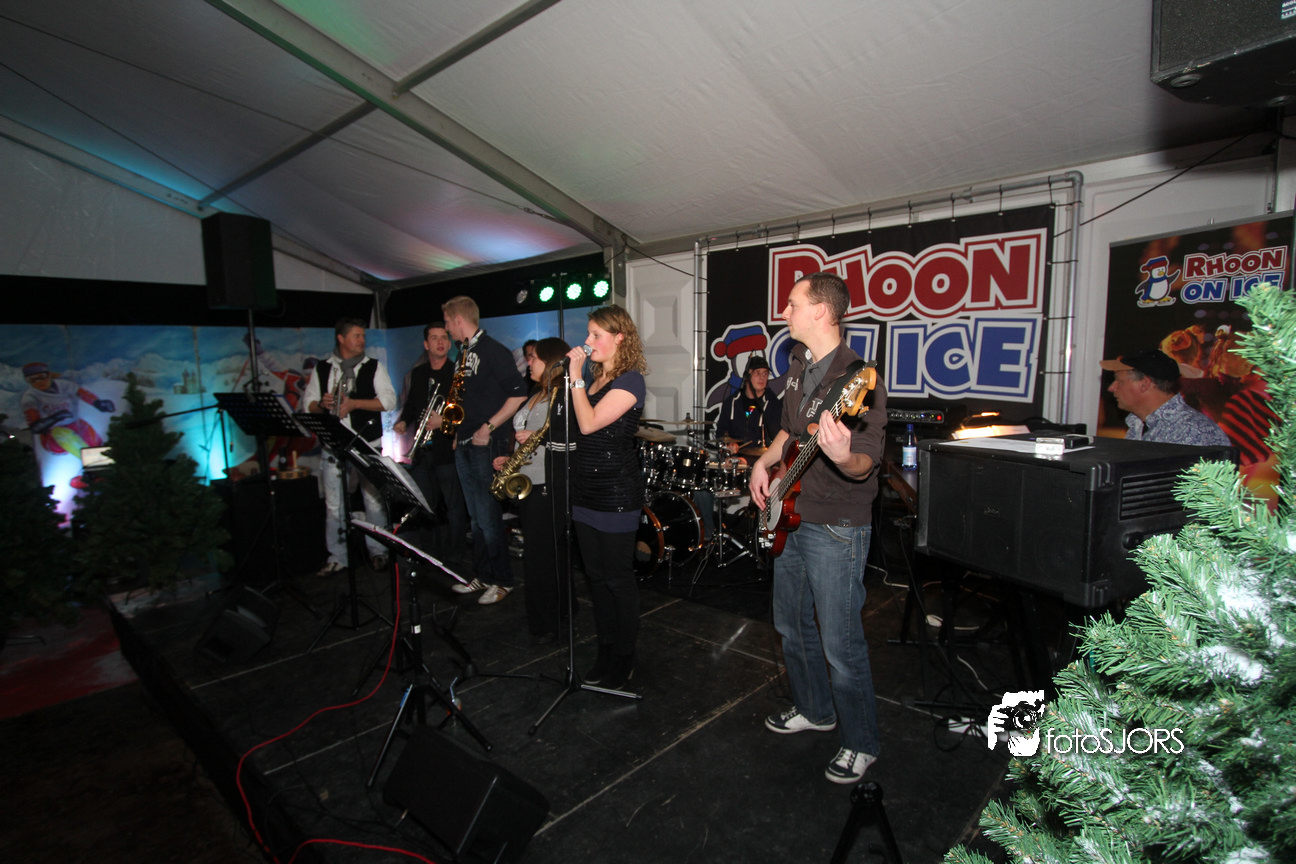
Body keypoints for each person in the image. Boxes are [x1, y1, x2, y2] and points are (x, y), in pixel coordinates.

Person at [749, 271, 888, 785]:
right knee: (791, 625)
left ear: (822, 312)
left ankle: (861, 742)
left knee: (840, 642)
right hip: (792, 513)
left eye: (792, 303)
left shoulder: (860, 379)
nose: (783, 312)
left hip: (837, 526)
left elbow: (865, 464)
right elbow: (790, 431)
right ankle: (815, 709)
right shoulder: (797, 363)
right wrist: (763, 463)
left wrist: (842, 455)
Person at [564, 305, 648, 689]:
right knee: (596, 580)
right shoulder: (594, 379)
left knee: (617, 579)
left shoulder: (631, 381)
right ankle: (606, 649)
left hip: (616, 494)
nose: (588, 341)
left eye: (596, 335)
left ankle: (625, 657)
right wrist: (578, 380)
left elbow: (588, 424)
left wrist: (575, 377)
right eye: (589, 333)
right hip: (584, 492)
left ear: (619, 338)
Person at [442, 296, 528, 605]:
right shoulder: (463, 353)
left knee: (488, 517)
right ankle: (482, 574)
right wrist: (458, 433)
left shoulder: (494, 351)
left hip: (486, 442)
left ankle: (503, 580)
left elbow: (518, 394)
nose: (447, 328)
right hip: (466, 441)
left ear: (458, 320)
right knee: (476, 517)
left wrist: (487, 427)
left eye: (448, 322)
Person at [491, 337, 572, 644]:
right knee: (542, 556)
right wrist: (510, 459)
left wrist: (538, 438)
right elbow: (527, 438)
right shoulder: (537, 394)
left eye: (534, 358)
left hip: (547, 485)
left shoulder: (563, 395)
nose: (528, 362)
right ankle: (559, 613)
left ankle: (547, 622)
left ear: (550, 361)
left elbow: (569, 440)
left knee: (541, 559)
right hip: (529, 482)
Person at [301, 317, 397, 573]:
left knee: (373, 500)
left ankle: (379, 551)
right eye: (356, 335)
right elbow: (308, 405)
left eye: (363, 336)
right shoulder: (323, 368)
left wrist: (354, 404)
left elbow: (389, 401)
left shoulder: (373, 367)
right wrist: (322, 405)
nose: (362, 340)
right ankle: (338, 557)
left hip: (367, 444)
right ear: (341, 338)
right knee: (335, 504)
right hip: (334, 447)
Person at [393, 322, 468, 565]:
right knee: (426, 505)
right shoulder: (418, 373)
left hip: (447, 448)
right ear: (426, 344)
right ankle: (430, 554)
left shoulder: (457, 372)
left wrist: (443, 422)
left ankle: (455, 556)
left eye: (444, 337)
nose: (440, 342)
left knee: (454, 507)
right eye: (434, 338)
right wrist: (403, 421)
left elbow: (465, 408)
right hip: (422, 450)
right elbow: (412, 405)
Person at [1100, 348, 1230, 447]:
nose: (1111, 388)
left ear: (1144, 384)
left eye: (1119, 381)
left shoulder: (1194, 431)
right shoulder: (1138, 425)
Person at [714, 355, 781, 451]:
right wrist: (729, 444)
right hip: (736, 457)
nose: (762, 377)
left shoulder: (774, 405)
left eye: (765, 374)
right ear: (747, 376)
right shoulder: (731, 402)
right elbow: (721, 434)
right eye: (758, 373)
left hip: (761, 458)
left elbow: (777, 439)